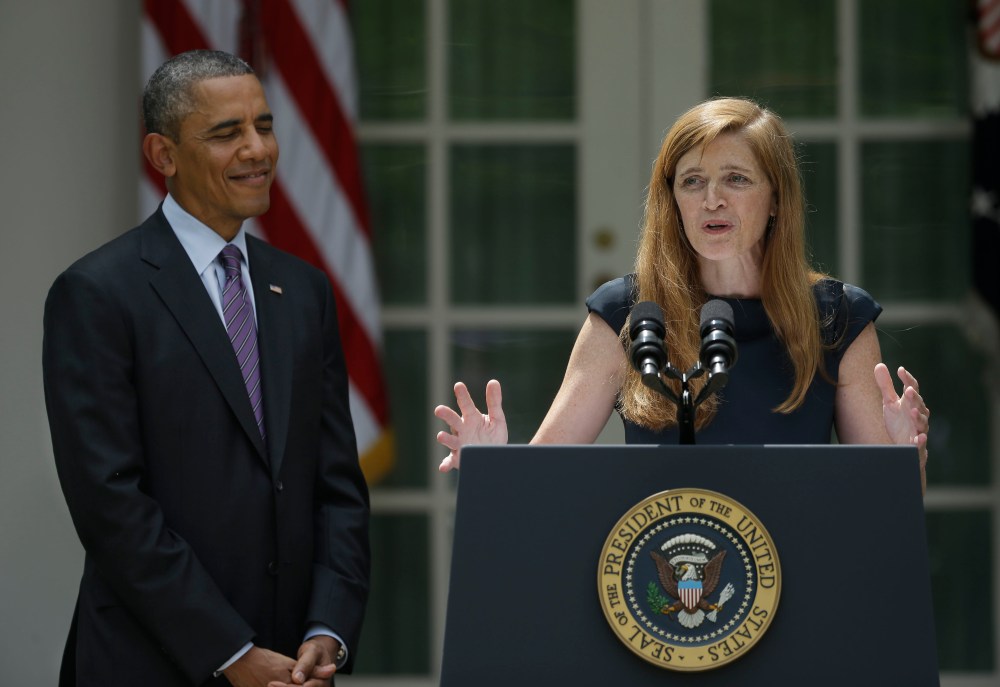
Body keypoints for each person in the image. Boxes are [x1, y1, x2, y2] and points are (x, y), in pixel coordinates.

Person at [42, 50, 370, 687]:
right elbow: (111, 505)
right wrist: (230, 652)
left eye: (265, 126)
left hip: (294, 666)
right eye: (227, 133)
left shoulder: (303, 291)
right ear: (163, 155)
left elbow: (337, 487)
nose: (258, 150)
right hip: (152, 663)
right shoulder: (97, 293)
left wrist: (328, 628)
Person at [435, 96, 930, 492]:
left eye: (735, 179)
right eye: (692, 181)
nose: (712, 198)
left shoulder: (837, 318)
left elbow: (887, 513)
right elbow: (541, 479)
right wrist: (493, 467)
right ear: (673, 201)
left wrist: (909, 460)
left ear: (777, 197)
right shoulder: (628, 315)